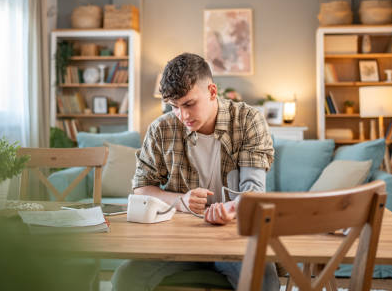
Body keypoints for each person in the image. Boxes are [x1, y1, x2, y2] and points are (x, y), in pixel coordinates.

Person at [112, 53, 279, 291]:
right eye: (175, 107)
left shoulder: (248, 120)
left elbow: (253, 191)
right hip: (177, 238)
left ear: (212, 91)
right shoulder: (161, 129)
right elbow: (141, 188)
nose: (183, 116)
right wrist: (181, 201)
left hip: (235, 238)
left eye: (189, 104)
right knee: (125, 278)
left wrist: (230, 210)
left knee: (264, 280)